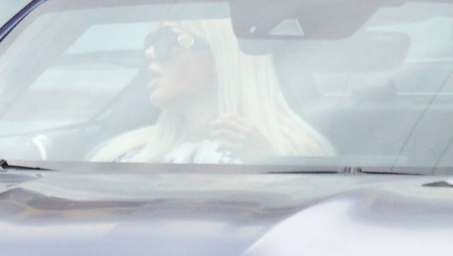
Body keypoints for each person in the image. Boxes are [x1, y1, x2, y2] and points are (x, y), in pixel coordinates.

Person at [92, 19, 331, 164]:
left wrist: (267, 163)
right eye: (150, 42)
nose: (150, 53)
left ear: (220, 57)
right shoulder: (124, 155)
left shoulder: (298, 155)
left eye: (166, 40)